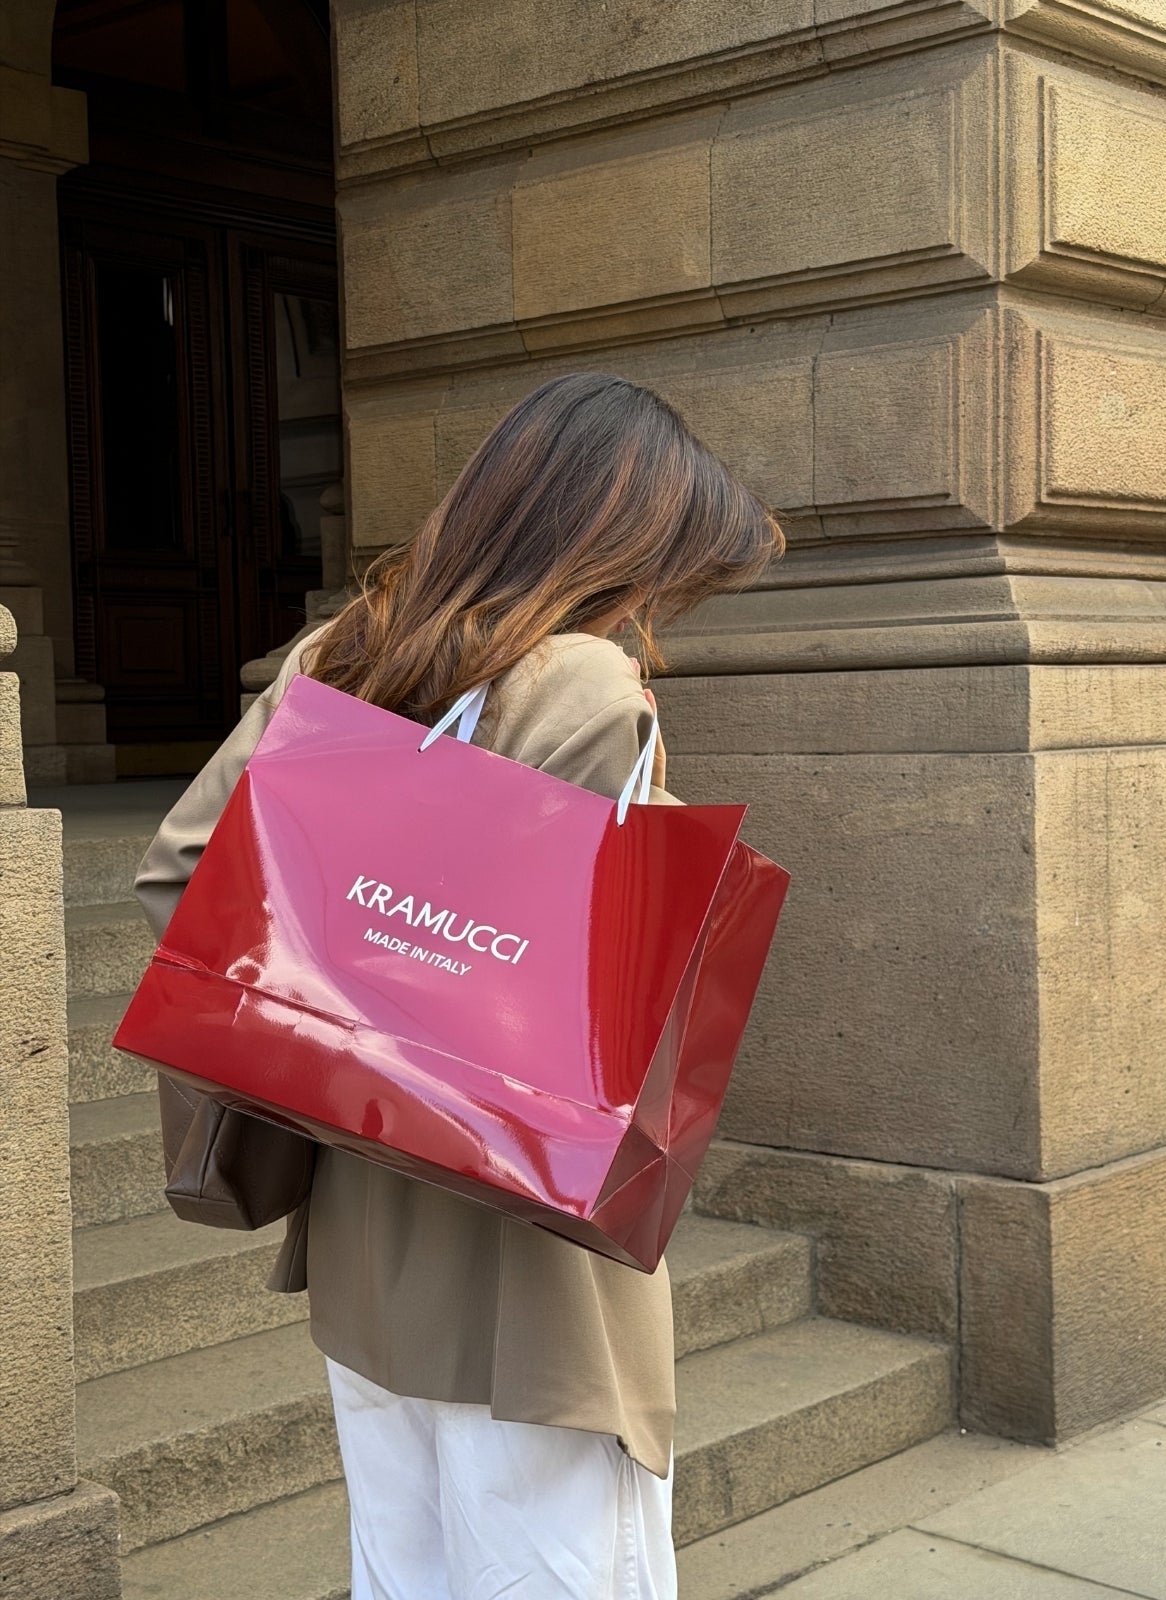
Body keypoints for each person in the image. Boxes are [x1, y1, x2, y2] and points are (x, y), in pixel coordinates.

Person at [133, 371, 785, 1600]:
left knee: (403, 1570)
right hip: (524, 1266)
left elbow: (182, 874)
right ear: (616, 543)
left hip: (362, 1237)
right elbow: (583, 999)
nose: (657, 609)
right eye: (664, 577)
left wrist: (347, 1025)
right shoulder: (585, 682)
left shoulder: (344, 651)